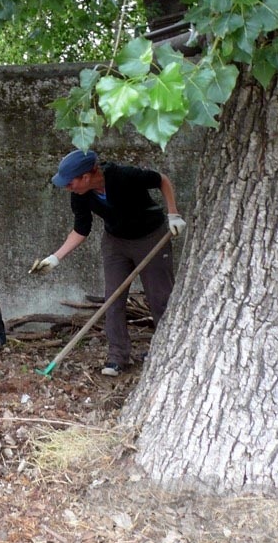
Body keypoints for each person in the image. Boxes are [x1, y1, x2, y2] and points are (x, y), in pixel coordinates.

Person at [29, 149, 186, 376]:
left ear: (85, 177)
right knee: (113, 298)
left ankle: (168, 350)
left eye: (70, 182)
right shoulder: (80, 194)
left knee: (160, 297)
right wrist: (55, 258)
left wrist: (173, 214)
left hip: (150, 237)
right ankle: (117, 356)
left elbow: (161, 180)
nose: (67, 188)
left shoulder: (124, 175)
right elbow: (81, 229)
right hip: (116, 242)